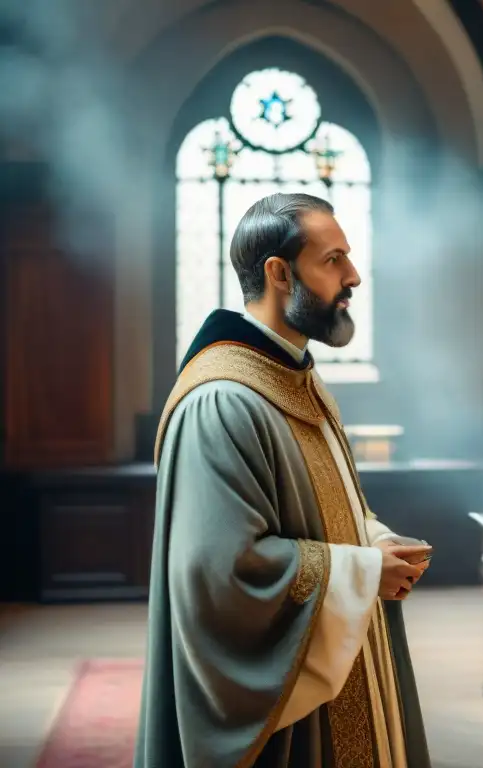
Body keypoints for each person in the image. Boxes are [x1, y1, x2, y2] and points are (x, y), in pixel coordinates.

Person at [135, 192, 433, 767]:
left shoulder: (298, 376)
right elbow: (221, 571)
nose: (353, 276)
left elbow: (330, 507)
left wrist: (373, 541)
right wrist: (362, 572)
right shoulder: (222, 400)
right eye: (333, 260)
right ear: (278, 272)